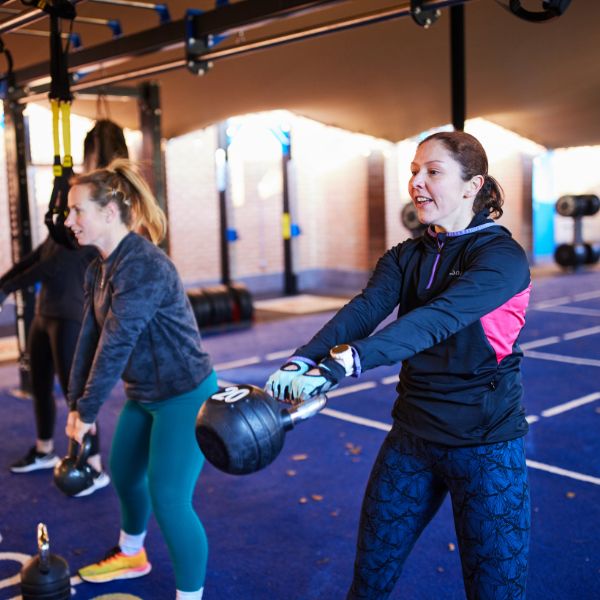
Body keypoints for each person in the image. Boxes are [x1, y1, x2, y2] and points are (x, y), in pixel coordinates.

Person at [266, 131, 532, 600]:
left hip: (485, 446)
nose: (417, 183)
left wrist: (343, 364)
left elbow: (436, 320)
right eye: (414, 171)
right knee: (369, 580)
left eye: (433, 172)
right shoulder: (407, 255)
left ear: (473, 185)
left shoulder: (501, 259)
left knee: (497, 592)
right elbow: (365, 311)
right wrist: (303, 359)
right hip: (412, 437)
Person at [64, 159, 216, 600]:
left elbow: (116, 344)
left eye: (78, 211)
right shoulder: (99, 269)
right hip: (146, 394)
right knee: (126, 474)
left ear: (109, 213)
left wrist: (89, 413)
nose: (70, 220)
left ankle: (191, 596)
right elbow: (87, 341)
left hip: (185, 394)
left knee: (169, 498)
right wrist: (77, 406)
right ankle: (132, 554)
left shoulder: (144, 266)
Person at [2, 119, 128, 496]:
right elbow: (41, 254)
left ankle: (93, 465)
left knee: (78, 393)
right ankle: (44, 449)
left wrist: (8, 288)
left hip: (72, 314)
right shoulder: (69, 216)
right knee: (40, 385)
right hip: (45, 311)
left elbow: (55, 264)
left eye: (75, 208)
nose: (69, 215)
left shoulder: (96, 222)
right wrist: (4, 283)